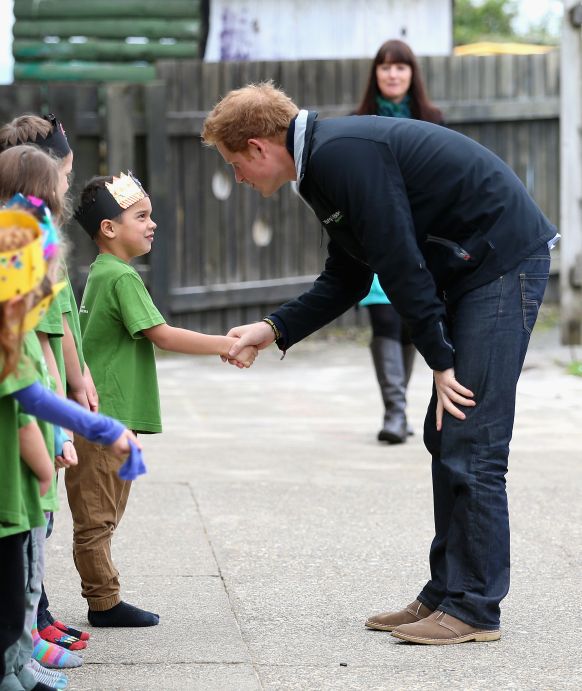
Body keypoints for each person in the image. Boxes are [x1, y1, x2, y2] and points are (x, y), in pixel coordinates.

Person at [201, 82, 557, 644]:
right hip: (474, 271)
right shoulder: (322, 163)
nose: (239, 179)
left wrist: (439, 358)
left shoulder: (340, 155)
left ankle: (475, 608)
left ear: (258, 147)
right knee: (447, 432)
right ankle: (446, 592)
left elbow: (398, 260)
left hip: (501, 263)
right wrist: (271, 329)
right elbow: (348, 275)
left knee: (473, 437)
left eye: (234, 165)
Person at [68, 171, 257, 628]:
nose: (152, 224)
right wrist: (227, 344)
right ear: (109, 228)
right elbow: (163, 336)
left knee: (103, 513)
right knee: (96, 517)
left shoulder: (102, 272)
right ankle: (104, 602)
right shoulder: (121, 278)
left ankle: (104, 597)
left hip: (107, 418)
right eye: (142, 216)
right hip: (103, 420)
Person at [0, 206, 140, 691]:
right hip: (11, 495)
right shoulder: (11, 348)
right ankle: (13, 667)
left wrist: (101, 429)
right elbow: (26, 414)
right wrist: (45, 465)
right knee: (15, 578)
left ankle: (17, 664)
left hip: (15, 494)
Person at [0, 142, 90, 663]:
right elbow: (29, 387)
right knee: (20, 562)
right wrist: (47, 451)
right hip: (19, 470)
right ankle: (20, 655)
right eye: (60, 180)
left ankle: (25, 648)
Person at [355, 39, 443, 444]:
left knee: (409, 322)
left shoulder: (433, 121)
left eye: (400, 67)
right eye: (385, 67)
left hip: (421, 237)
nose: (392, 74)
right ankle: (394, 412)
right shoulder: (359, 122)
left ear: (412, 74)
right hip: (373, 236)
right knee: (384, 319)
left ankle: (400, 408)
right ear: (375, 73)